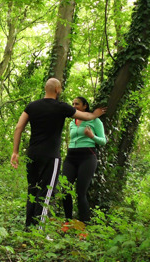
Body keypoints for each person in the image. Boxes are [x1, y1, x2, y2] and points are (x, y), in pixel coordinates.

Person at [10, 78, 106, 229]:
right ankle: (39, 232)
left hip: (32, 154)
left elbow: (18, 127)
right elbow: (86, 116)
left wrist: (15, 152)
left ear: (45, 89)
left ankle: (29, 228)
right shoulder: (61, 107)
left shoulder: (31, 106)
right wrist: (95, 114)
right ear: (57, 90)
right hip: (50, 156)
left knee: (32, 190)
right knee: (46, 192)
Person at [61, 97, 106, 223]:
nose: (74, 106)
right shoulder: (72, 122)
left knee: (80, 193)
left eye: (77, 104)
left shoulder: (95, 121)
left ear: (85, 106)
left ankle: (84, 225)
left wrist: (92, 136)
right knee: (65, 190)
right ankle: (68, 221)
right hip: (71, 157)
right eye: (73, 104)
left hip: (87, 156)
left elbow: (103, 141)